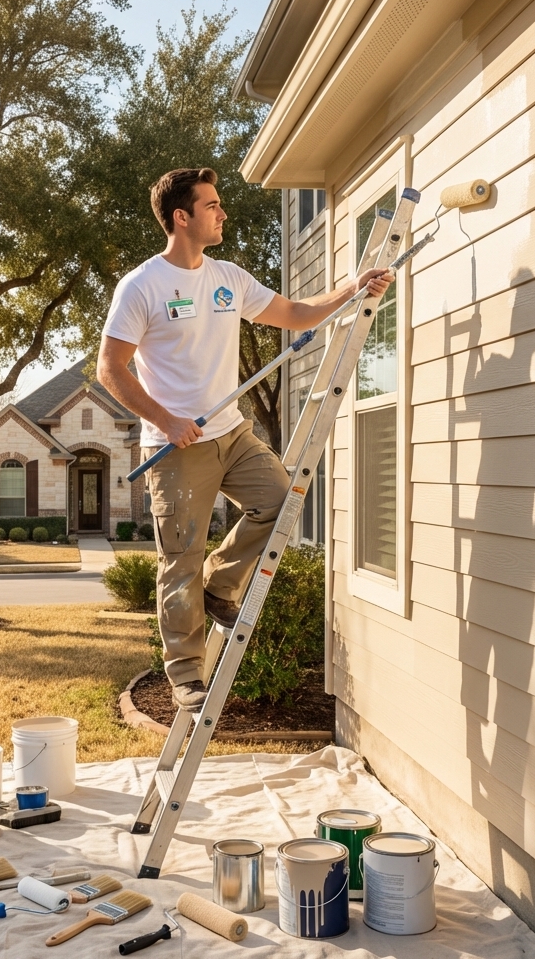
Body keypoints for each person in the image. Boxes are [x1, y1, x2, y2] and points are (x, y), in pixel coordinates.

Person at [97, 167, 392, 711]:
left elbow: (296, 313)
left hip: (231, 433)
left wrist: (352, 289)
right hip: (176, 446)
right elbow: (111, 370)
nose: (222, 212)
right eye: (212, 205)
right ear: (181, 217)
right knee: (179, 558)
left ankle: (219, 585)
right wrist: (166, 420)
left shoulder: (227, 277)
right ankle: (185, 671)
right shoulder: (142, 286)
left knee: (282, 503)